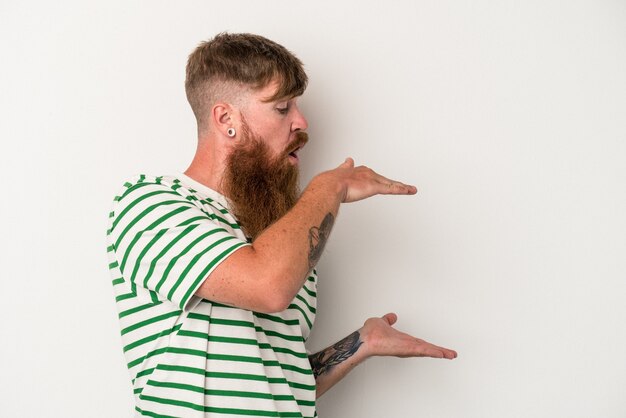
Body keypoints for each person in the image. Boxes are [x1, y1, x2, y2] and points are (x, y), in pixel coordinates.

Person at [106, 32, 457, 418]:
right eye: (282, 107)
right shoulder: (151, 204)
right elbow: (267, 285)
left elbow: (278, 382)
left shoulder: (279, 237)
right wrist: (330, 185)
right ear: (226, 119)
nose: (302, 123)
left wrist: (361, 344)